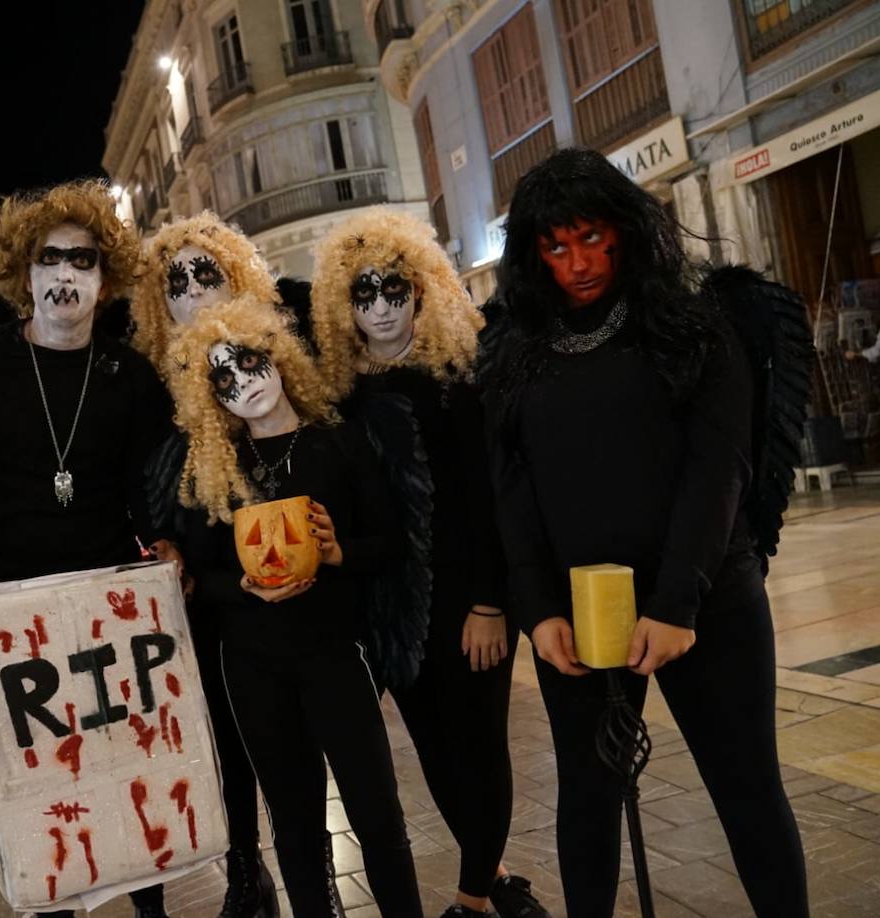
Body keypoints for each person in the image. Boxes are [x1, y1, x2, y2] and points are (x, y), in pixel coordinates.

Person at [481, 148, 808, 917]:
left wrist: (677, 602)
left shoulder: (693, 324)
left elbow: (717, 467)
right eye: (555, 247)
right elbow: (513, 490)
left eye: (592, 238)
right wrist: (537, 609)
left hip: (708, 598)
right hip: (579, 612)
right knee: (588, 798)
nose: (578, 263)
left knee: (748, 789)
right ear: (532, 253)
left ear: (626, 230)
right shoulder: (515, 351)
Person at [0, 179, 173, 918]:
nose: (65, 274)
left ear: (105, 281)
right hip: (13, 612)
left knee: (129, 765)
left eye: (83, 260)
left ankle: (151, 906)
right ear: (23, 272)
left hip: (109, 609)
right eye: (50, 259)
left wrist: (162, 543)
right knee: (40, 784)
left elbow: (147, 484)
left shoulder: (129, 375)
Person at [310, 208, 551, 918]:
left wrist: (490, 601)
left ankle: (473, 898)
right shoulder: (345, 398)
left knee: (480, 745)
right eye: (364, 293)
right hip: (392, 604)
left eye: (394, 289)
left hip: (468, 596)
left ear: (422, 291)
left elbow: (491, 499)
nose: (381, 306)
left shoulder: (461, 379)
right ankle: (496, 874)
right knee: (436, 751)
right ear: (342, 304)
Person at [169, 297, 424, 918]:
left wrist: (339, 554)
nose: (242, 382)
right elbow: (199, 574)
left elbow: (392, 544)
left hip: (335, 654)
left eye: (249, 362)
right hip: (253, 666)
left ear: (277, 356)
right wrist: (245, 589)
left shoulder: (338, 444)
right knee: (293, 821)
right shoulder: (213, 470)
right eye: (222, 379)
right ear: (213, 399)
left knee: (377, 815)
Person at [131, 212, 286, 918]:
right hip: (201, 590)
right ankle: (245, 873)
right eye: (176, 280)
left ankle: (307, 868)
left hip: (286, 575)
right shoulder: (148, 384)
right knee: (222, 739)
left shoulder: (272, 347)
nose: (193, 288)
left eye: (206, 271)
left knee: (290, 738)